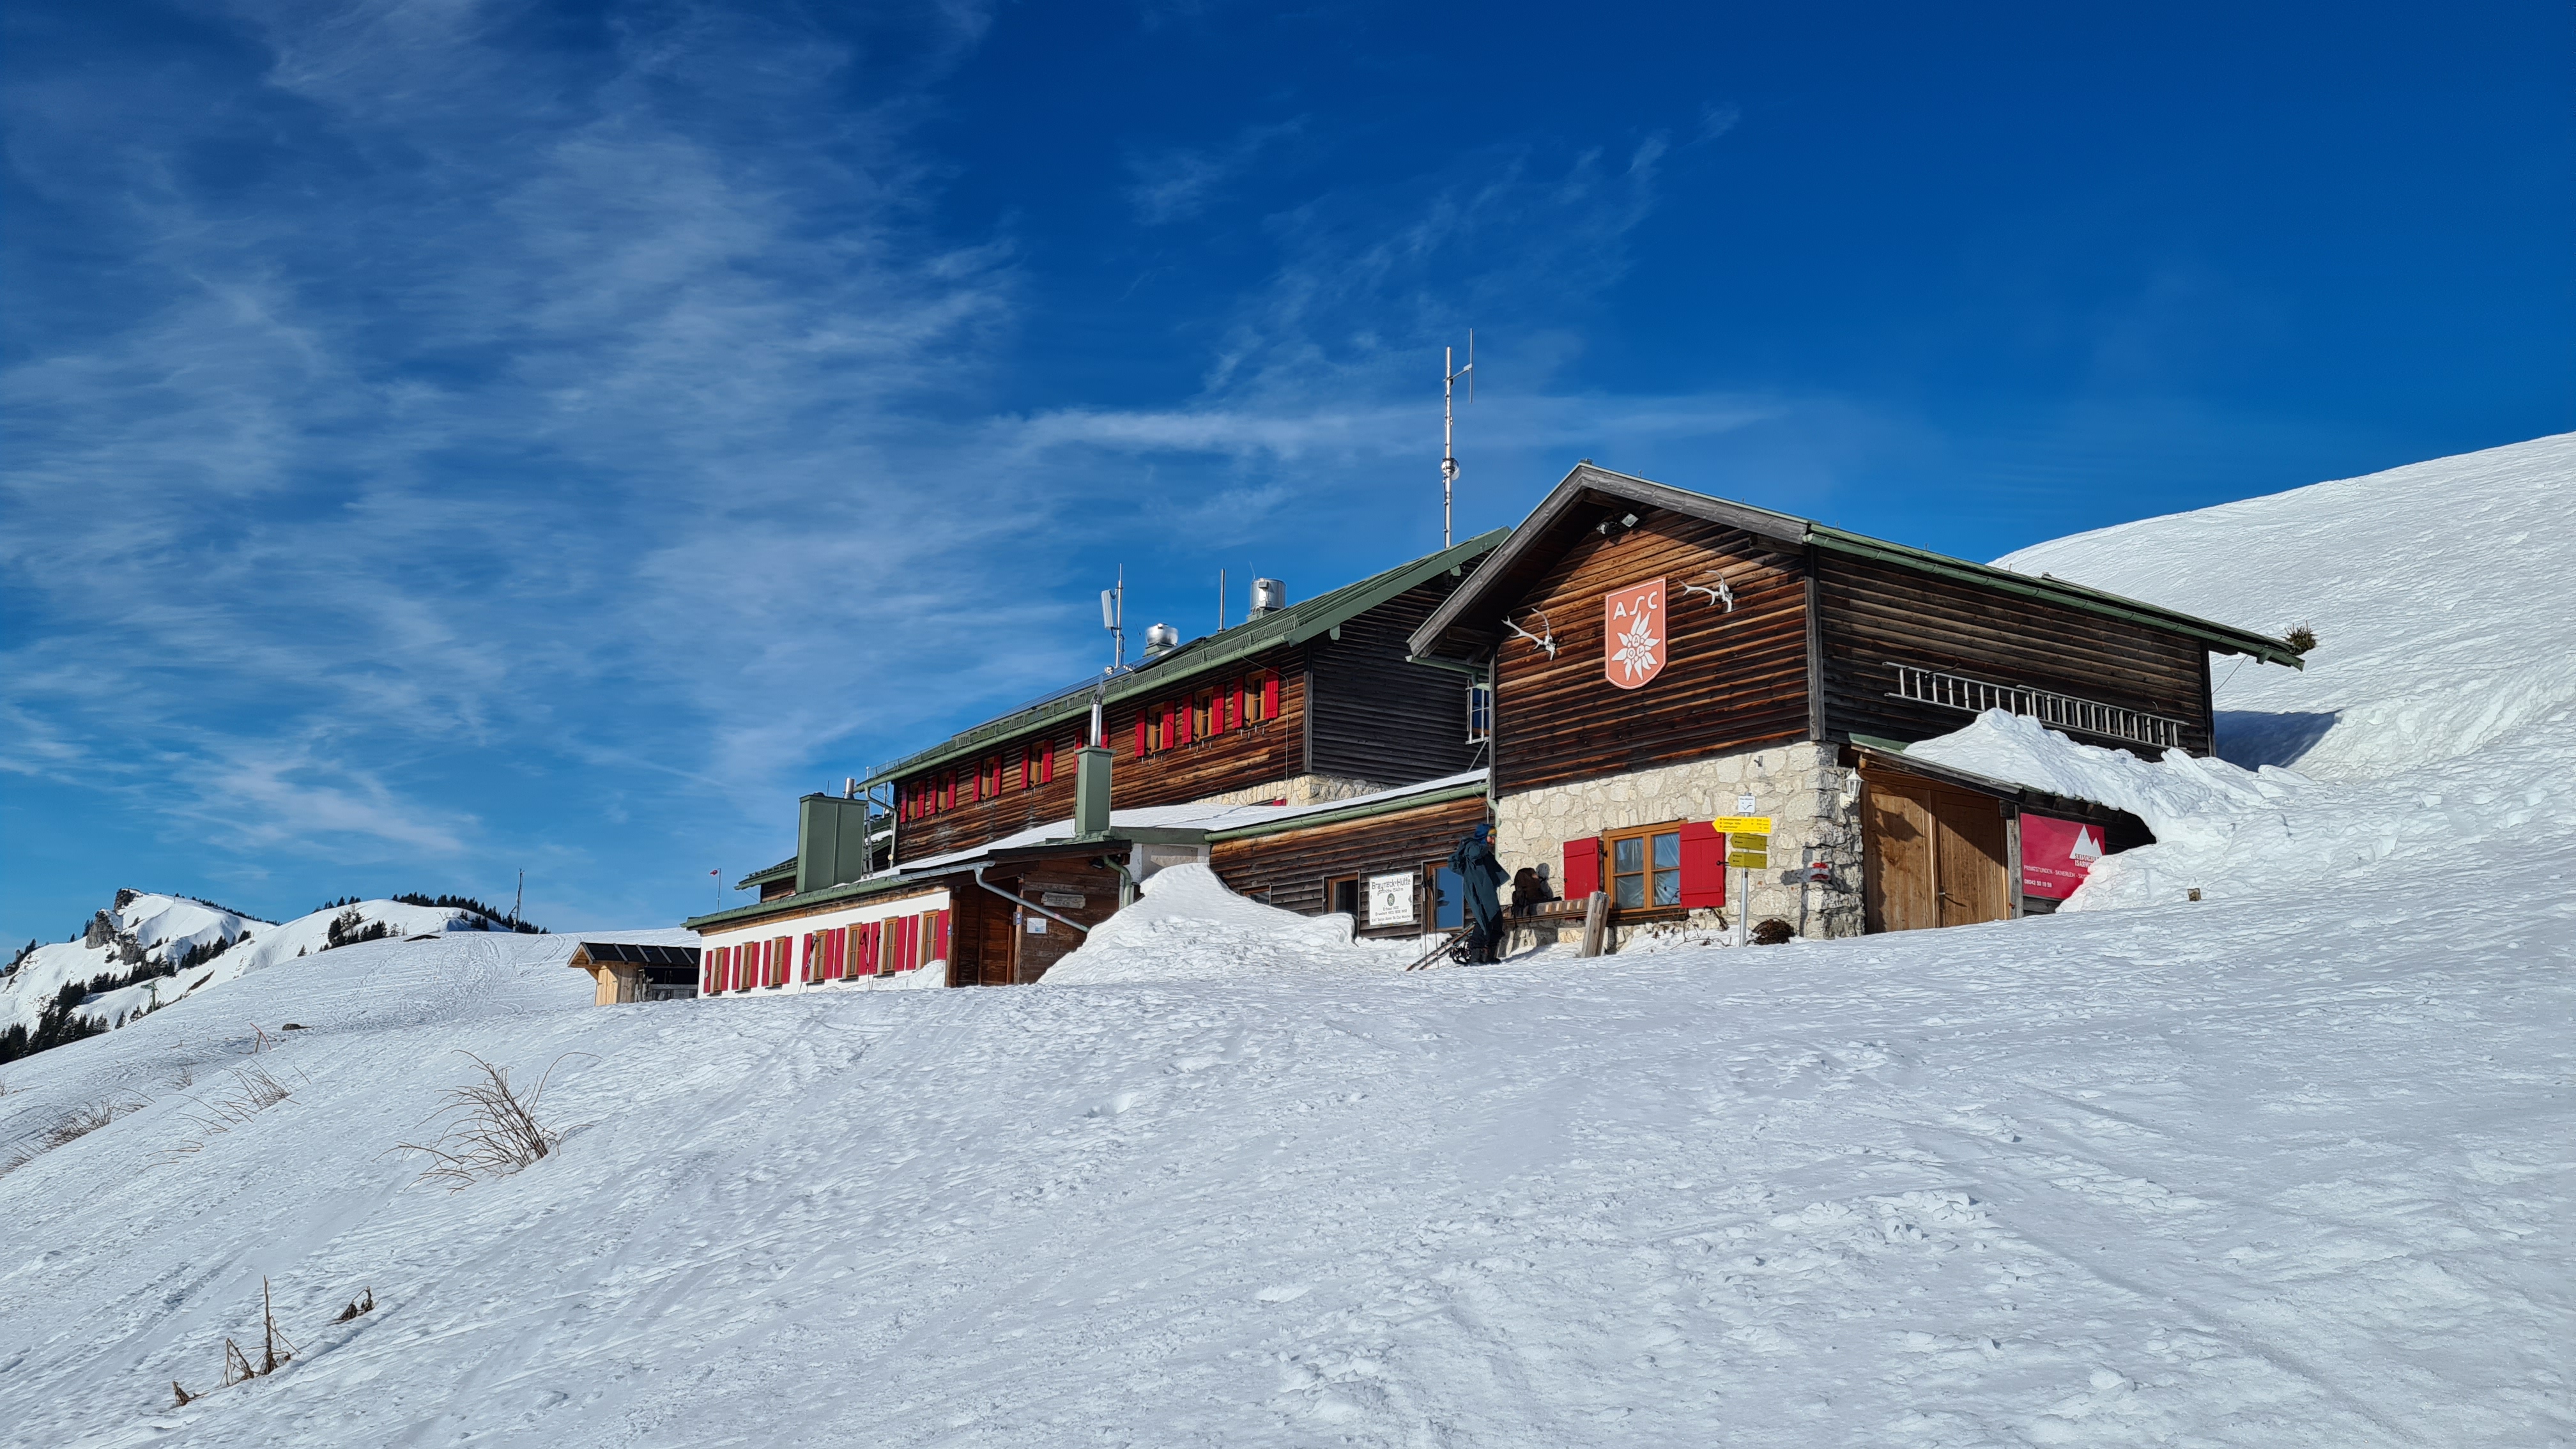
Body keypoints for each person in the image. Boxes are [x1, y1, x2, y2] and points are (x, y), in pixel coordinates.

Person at [1448, 822, 1512, 963]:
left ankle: (1488, 955)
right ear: (1484, 835)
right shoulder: (1472, 846)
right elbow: (1474, 854)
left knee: (1496, 920)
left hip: (1486, 890)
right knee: (1484, 919)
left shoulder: (1483, 850)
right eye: (1491, 837)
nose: (1493, 841)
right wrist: (1483, 844)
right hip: (1478, 890)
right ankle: (1476, 955)